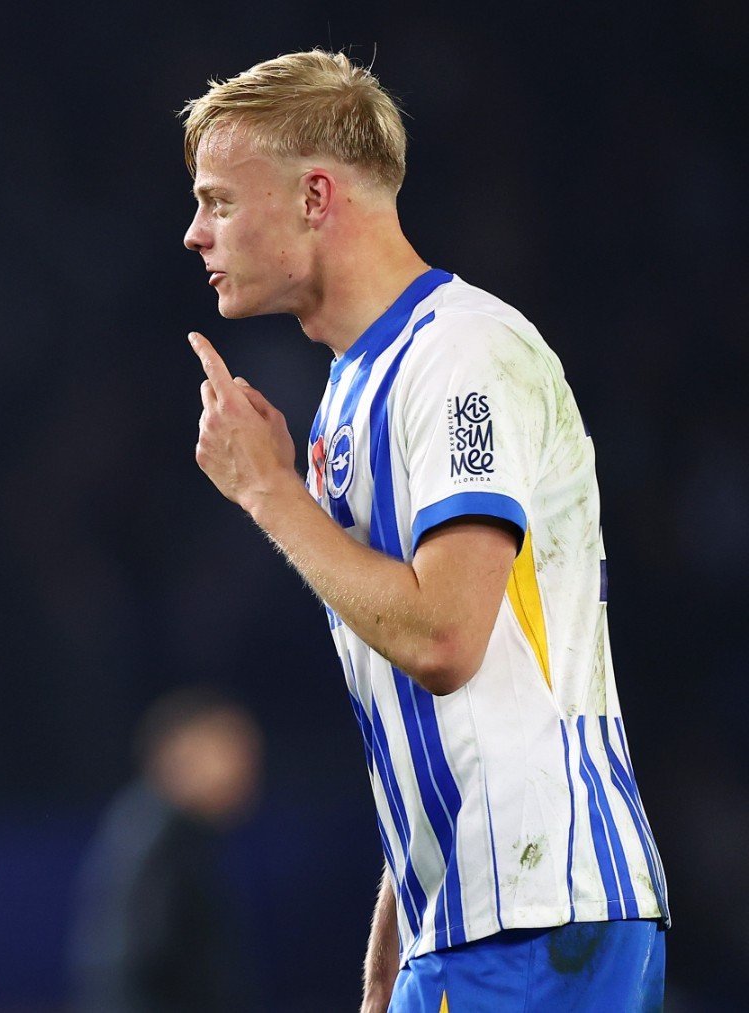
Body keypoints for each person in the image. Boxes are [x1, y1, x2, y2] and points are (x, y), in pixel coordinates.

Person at [178, 52, 668, 1012]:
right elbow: (445, 727)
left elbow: (445, 636)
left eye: (220, 201)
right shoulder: (353, 392)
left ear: (316, 195)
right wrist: (388, 963)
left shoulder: (461, 355)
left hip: (536, 922)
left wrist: (270, 496)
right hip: (476, 925)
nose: (195, 232)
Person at [66, 687, 262, 1012]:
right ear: (183, 755)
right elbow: (127, 963)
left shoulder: (182, 836)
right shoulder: (155, 836)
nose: (246, 769)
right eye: (231, 752)